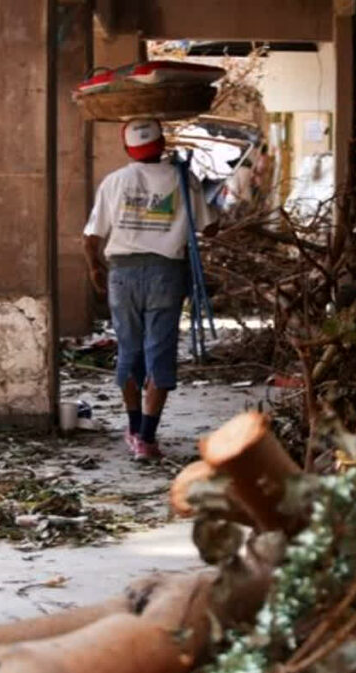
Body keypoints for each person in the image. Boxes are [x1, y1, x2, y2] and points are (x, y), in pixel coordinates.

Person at [82, 118, 215, 459]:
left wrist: (95, 266)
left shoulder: (114, 181)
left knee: (129, 350)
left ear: (128, 149)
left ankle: (133, 426)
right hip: (166, 274)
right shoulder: (185, 179)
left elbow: (92, 236)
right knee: (160, 352)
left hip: (122, 274)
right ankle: (147, 438)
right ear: (162, 145)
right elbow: (209, 228)